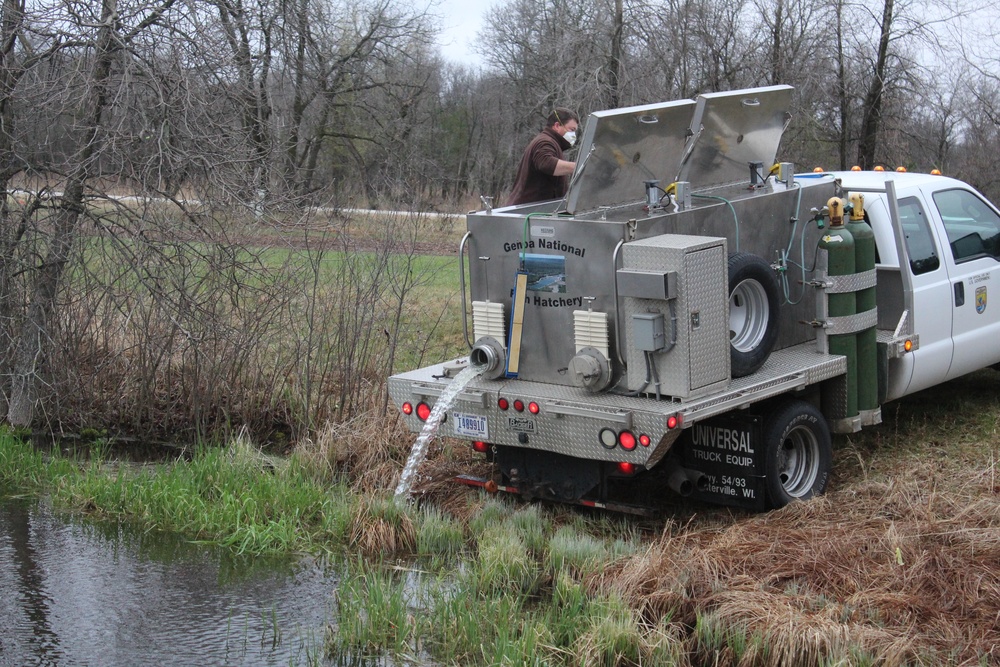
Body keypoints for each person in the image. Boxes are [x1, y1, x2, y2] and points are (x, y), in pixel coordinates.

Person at [507, 107, 579, 206]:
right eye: (572, 130)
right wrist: (580, 167)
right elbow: (546, 163)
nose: (573, 134)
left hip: (533, 212)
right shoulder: (545, 142)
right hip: (527, 213)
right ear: (557, 125)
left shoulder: (551, 142)